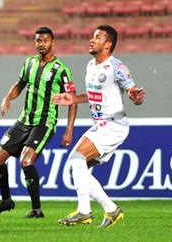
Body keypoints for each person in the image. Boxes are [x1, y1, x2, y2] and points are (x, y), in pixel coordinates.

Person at [53, 25, 146, 228]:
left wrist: (134, 97)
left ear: (108, 44)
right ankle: (111, 209)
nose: (92, 40)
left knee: (76, 159)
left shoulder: (116, 67)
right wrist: (73, 99)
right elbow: (93, 96)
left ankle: (84, 212)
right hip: (101, 125)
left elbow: (133, 92)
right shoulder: (91, 65)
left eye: (97, 37)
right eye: (92, 36)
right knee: (78, 168)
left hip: (113, 125)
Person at [0, 26, 78, 218]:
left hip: (44, 122)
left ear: (52, 42)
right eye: (38, 40)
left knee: (26, 161)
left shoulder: (61, 70)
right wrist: (7, 99)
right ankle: (6, 201)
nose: (41, 44)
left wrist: (69, 129)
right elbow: (20, 84)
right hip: (24, 120)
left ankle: (37, 209)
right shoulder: (29, 63)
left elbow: (73, 100)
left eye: (45, 40)